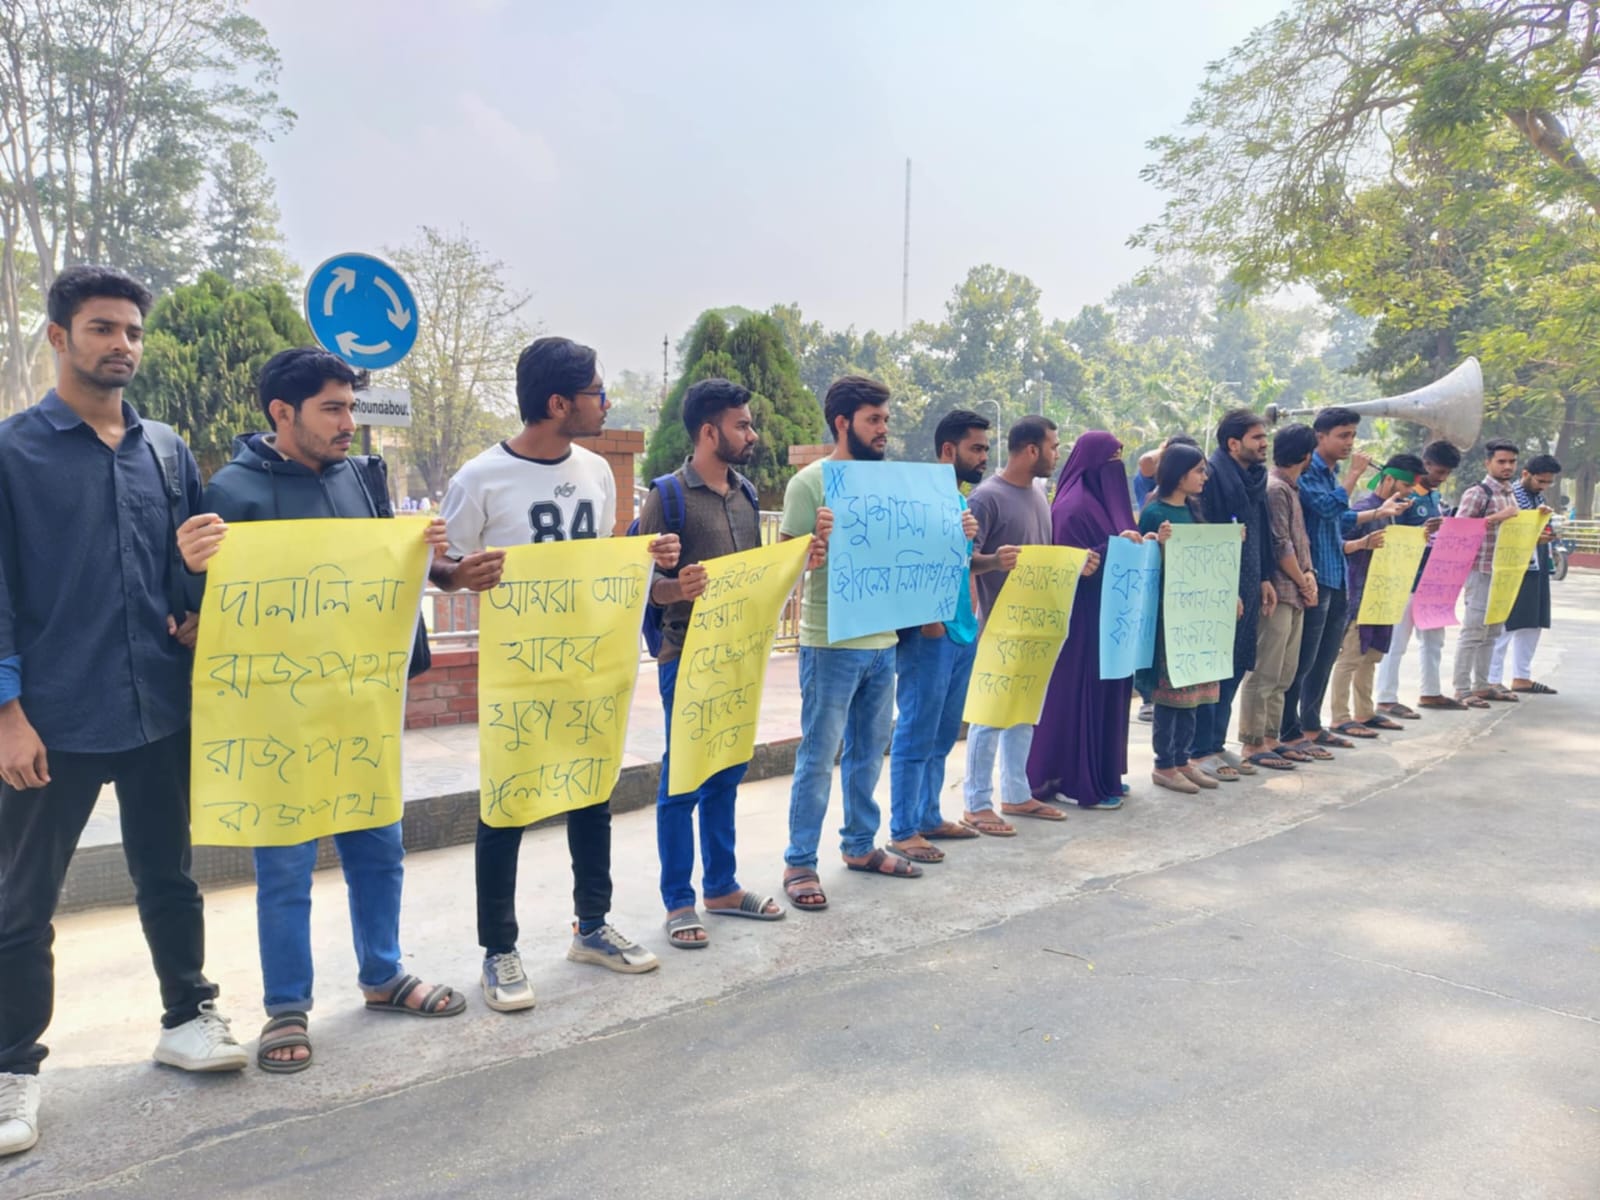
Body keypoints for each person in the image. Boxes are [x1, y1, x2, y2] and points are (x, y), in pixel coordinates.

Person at [0, 266, 249, 1158]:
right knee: (21, 901)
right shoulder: (12, 451)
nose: (123, 346)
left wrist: (194, 590)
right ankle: (10, 1069)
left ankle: (188, 1017)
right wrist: (7, 712)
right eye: (103, 329)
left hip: (156, 705)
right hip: (53, 718)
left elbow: (180, 580)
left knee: (170, 877)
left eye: (134, 332)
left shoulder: (166, 449)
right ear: (59, 338)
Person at [193, 348, 489, 1071]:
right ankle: (286, 1008)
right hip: (277, 720)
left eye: (352, 407)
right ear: (281, 413)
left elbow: (382, 580)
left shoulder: (362, 479)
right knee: (286, 864)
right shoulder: (231, 493)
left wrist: (434, 561)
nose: (348, 423)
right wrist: (196, 585)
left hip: (360, 707)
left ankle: (383, 975)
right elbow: (203, 609)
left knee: (378, 850)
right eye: (333, 408)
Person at [439, 336, 680, 1007]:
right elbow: (442, 568)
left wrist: (643, 555)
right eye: (596, 392)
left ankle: (592, 926)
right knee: (506, 806)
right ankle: (500, 949)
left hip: (586, 664)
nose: (605, 403)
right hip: (520, 674)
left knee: (591, 793)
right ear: (557, 402)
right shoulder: (479, 478)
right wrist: (460, 574)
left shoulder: (597, 473)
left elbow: (598, 558)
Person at [778, 377, 975, 910]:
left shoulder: (899, 486)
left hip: (883, 640)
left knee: (869, 752)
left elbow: (927, 549)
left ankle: (861, 846)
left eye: (886, 419)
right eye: (874, 419)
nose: (885, 429)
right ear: (843, 423)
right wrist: (811, 546)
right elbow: (784, 566)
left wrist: (957, 528)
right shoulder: (810, 483)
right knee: (819, 755)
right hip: (831, 642)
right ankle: (799, 862)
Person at [639, 378, 815, 948]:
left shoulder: (743, 493)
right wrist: (676, 589)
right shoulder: (665, 496)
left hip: (738, 658)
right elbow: (640, 587)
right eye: (742, 424)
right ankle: (678, 901)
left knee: (726, 771)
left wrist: (800, 558)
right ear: (709, 431)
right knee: (683, 778)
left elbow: (756, 581)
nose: (753, 434)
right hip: (685, 657)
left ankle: (721, 886)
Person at [890, 410, 1016, 861]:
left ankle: (927, 815)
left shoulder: (959, 501)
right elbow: (906, 559)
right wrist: (928, 617)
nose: (984, 457)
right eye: (976, 448)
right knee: (916, 730)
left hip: (962, 628)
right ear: (949, 450)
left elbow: (959, 562)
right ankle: (903, 828)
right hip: (931, 632)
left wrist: (991, 561)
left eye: (985, 448)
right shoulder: (919, 500)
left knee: (943, 732)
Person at [963, 417, 1083, 835]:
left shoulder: (1038, 492)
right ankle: (976, 802)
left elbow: (1042, 556)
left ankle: (1016, 792)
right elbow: (964, 559)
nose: (1057, 454)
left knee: (1024, 712)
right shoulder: (986, 498)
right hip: (998, 626)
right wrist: (995, 561)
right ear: (1031, 450)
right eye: (1053, 446)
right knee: (990, 715)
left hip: (1036, 625)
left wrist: (1074, 565)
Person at [1280, 407, 1409, 759]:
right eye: (1343, 435)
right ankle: (1289, 730)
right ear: (1319, 437)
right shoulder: (1307, 473)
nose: (1350, 443)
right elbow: (1325, 507)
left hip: (1336, 575)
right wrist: (1352, 476)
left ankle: (1310, 724)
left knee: (1324, 659)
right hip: (1314, 576)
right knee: (1303, 661)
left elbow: (1340, 517)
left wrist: (1378, 514)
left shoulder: (1332, 473)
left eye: (1352, 435)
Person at [1027, 431, 1136, 810]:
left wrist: (1141, 541)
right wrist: (1114, 548)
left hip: (1111, 618)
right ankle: (1075, 780)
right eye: (1111, 462)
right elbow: (1073, 563)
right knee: (1081, 698)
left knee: (1110, 694)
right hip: (1083, 620)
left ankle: (1105, 774)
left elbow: (1121, 542)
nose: (1116, 470)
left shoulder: (1102, 502)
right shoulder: (1072, 507)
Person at [1189, 409, 1276, 782]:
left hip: (1250, 582)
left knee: (1236, 665)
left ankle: (1215, 741)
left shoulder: (1255, 479)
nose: (1264, 443)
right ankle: (1199, 748)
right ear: (1233, 443)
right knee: (1212, 667)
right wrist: (1223, 588)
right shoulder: (1212, 479)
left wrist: (1265, 578)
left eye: (1264, 437)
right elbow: (1208, 539)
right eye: (1257, 438)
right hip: (1221, 588)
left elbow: (1261, 531)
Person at [1138, 444, 1228, 793]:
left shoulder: (1193, 510)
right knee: (1169, 693)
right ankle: (1164, 763)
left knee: (1193, 688)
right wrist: (1157, 545)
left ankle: (1183, 758)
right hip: (1168, 615)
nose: (1204, 477)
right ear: (1179, 474)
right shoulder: (1154, 512)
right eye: (1199, 471)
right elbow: (1145, 564)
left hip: (1196, 614)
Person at [1327, 454, 1426, 740]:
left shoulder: (1394, 513)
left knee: (1370, 657)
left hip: (1382, 594)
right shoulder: (1362, 509)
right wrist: (1362, 544)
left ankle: (1364, 711)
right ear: (1389, 479)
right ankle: (1339, 716)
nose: (1408, 491)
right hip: (1358, 593)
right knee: (1350, 658)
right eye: (1406, 484)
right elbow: (1337, 542)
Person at [1237, 424, 1318, 770]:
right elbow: (1280, 543)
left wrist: (1308, 577)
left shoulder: (1291, 488)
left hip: (1295, 592)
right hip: (1281, 593)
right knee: (1265, 671)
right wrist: (1304, 580)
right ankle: (1253, 742)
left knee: (1285, 672)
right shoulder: (1275, 489)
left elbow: (1299, 543)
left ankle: (1271, 737)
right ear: (1307, 455)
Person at [1375, 441, 1463, 716]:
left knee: (1434, 639)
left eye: (1447, 474)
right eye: (1438, 472)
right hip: (1406, 578)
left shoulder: (1436, 498)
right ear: (1425, 464)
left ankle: (1431, 691)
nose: (1441, 478)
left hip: (1433, 579)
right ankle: (1386, 697)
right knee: (1397, 641)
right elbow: (1391, 534)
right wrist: (1422, 531)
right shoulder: (1403, 497)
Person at [1450, 439, 1529, 707]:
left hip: (1503, 572)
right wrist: (1497, 518)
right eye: (1502, 461)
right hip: (1479, 569)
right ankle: (1461, 688)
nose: (1507, 467)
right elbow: (1458, 530)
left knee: (1493, 631)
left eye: (1512, 462)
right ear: (1488, 463)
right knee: (1473, 631)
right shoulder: (1478, 493)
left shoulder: (1510, 493)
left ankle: (1482, 685)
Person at [1488, 453, 1561, 695]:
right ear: (1526, 474)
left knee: (1534, 621)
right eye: (1540, 481)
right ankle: (1492, 678)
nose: (1544, 486)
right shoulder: (1512, 497)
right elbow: (1507, 532)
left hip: (1537, 562)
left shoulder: (1536, 496)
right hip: (1514, 564)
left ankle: (1522, 676)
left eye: (1548, 483)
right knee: (1508, 622)